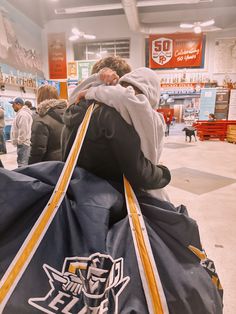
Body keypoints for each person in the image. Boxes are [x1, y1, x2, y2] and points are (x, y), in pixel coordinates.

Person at [62, 57, 171, 192]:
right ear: (114, 82)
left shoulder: (74, 108)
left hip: (74, 193)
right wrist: (163, 173)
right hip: (107, 201)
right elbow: (139, 173)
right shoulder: (110, 115)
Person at [28, 85, 67, 164]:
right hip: (65, 162)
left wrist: (30, 167)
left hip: (47, 167)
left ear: (39, 98)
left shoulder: (41, 119)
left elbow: (37, 150)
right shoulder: (67, 114)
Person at [10, 97, 33, 167]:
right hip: (22, 144)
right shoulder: (20, 113)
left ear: (18, 104)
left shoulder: (23, 115)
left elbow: (23, 130)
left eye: (13, 105)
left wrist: (20, 142)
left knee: (22, 164)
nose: (12, 106)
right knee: (22, 163)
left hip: (23, 144)